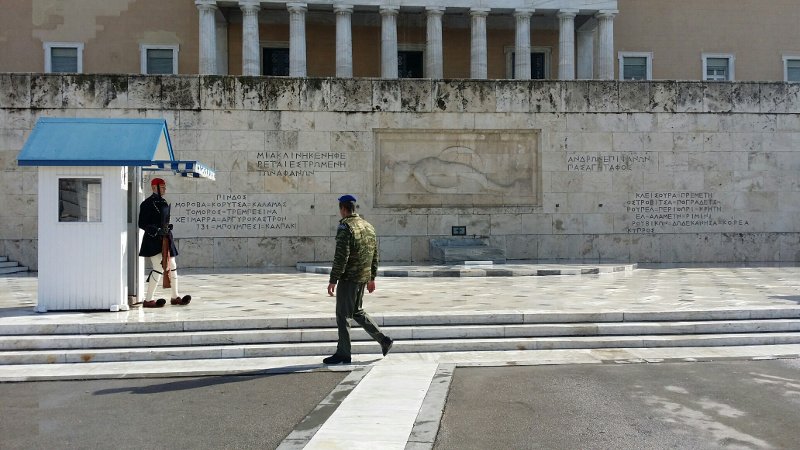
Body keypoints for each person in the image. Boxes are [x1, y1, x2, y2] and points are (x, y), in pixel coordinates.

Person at [324, 194, 393, 364]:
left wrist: (333, 279)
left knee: (343, 315)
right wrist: (371, 277)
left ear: (343, 208)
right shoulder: (368, 226)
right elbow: (374, 254)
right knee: (356, 312)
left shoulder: (346, 227)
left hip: (349, 278)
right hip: (362, 277)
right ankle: (384, 340)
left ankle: (343, 353)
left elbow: (341, 256)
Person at [138, 177, 191, 308]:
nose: (165, 189)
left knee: (172, 265)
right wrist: (156, 230)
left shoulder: (163, 202)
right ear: (154, 188)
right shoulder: (147, 204)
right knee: (158, 267)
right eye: (162, 187)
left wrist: (167, 227)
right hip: (153, 240)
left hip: (166, 238)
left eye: (165, 187)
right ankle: (148, 300)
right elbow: (142, 223)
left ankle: (175, 297)